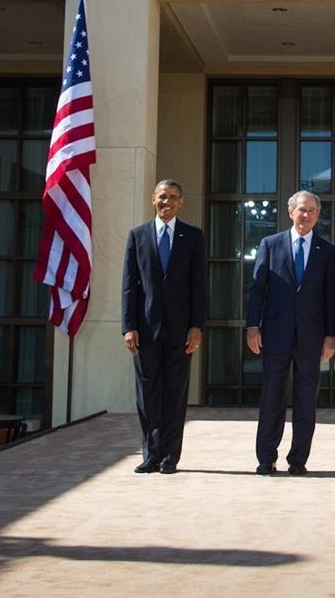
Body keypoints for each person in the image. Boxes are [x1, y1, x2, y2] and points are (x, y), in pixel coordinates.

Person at [245, 189, 335, 475]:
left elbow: (332, 298)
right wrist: (252, 326)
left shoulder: (328, 251)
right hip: (275, 333)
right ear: (290, 212)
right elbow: (257, 289)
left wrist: (331, 336)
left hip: (312, 336)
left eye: (312, 210)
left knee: (305, 399)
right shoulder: (270, 245)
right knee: (272, 396)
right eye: (301, 209)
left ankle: (298, 460)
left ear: (318, 215)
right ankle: (265, 458)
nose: (306, 215)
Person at [122, 178, 206, 474]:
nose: (167, 202)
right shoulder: (137, 235)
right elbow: (129, 286)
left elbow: (199, 285)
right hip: (145, 330)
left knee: (175, 393)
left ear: (181, 202)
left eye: (172, 197)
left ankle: (170, 456)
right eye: (162, 196)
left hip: (182, 331)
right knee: (147, 394)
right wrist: (128, 326)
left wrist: (197, 326)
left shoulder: (193, 236)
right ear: (152, 199)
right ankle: (151, 454)